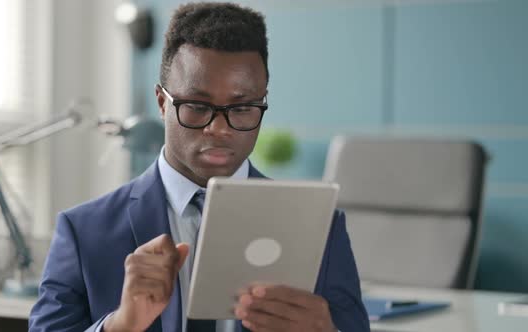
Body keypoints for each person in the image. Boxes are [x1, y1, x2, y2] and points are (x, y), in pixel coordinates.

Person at [29, 2, 369, 332]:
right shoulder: (83, 231)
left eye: (242, 108)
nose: (218, 129)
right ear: (163, 103)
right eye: (196, 105)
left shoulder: (320, 227)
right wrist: (120, 327)